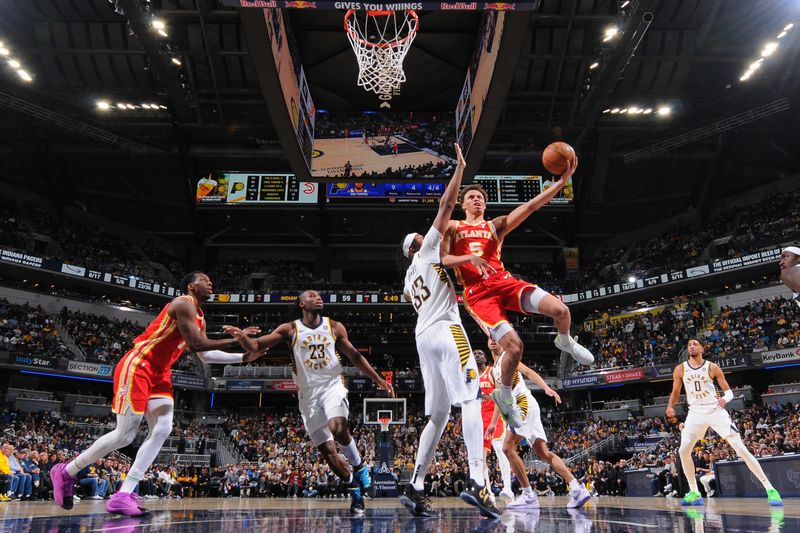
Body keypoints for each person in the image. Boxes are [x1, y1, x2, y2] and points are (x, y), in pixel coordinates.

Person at [51, 272, 262, 516]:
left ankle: (124, 494)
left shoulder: (200, 319)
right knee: (125, 435)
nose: (210, 282)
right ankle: (66, 471)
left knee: (163, 428)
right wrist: (236, 339)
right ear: (191, 285)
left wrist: (244, 357)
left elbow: (204, 356)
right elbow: (196, 345)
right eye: (204, 279)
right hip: (139, 365)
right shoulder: (183, 303)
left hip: (160, 373)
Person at [441, 157, 593, 428]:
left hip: (505, 282)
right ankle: (506, 395)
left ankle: (565, 341)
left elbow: (531, 206)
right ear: (463, 204)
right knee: (515, 346)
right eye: (471, 197)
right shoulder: (453, 227)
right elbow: (443, 260)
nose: (476, 200)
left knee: (561, 310)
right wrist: (468, 260)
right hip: (478, 295)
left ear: (485, 205)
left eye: (480, 198)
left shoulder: (494, 226)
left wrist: (559, 183)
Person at [396, 143, 500, 519]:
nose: (429, 237)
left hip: (424, 338)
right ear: (416, 247)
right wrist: (459, 169)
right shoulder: (426, 254)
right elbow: (445, 206)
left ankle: (416, 484)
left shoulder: (410, 279)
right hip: (444, 330)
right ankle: (478, 481)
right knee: (471, 397)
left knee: (437, 416)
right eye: (423, 238)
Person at [225, 290, 394, 516]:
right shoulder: (290, 329)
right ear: (302, 303)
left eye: (319, 296)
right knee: (328, 452)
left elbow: (354, 355)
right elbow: (255, 347)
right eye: (313, 296)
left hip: (332, 384)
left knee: (337, 427)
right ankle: (354, 488)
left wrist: (378, 379)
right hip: (307, 395)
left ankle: (359, 465)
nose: (319, 298)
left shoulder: (334, 326)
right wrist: (242, 337)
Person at [666, 338, 782, 506]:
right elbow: (675, 392)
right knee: (683, 450)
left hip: (715, 410)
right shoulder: (680, 369)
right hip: (695, 412)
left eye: (695, 344)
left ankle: (770, 489)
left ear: (702, 349)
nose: (691, 346)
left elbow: (729, 392)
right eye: (689, 345)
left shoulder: (712, 367)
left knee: (740, 448)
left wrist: (724, 400)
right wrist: (670, 406)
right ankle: (694, 492)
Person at [485, 338, 591, 510]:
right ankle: (577, 488)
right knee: (544, 453)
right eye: (490, 338)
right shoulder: (493, 370)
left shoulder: (507, 357)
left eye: (496, 338)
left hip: (522, 404)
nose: (493, 341)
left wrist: (546, 388)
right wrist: (492, 423)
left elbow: (529, 372)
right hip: (527, 405)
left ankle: (528, 495)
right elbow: (500, 397)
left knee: (507, 448)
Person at [475, 348, 513, 504]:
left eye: (480, 354)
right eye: (474, 354)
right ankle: (488, 492)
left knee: (501, 451)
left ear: (485, 358)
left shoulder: (492, 372)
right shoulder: (471, 377)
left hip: (495, 417)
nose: (477, 355)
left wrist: (489, 396)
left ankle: (508, 488)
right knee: (481, 458)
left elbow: (501, 393)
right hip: (479, 419)